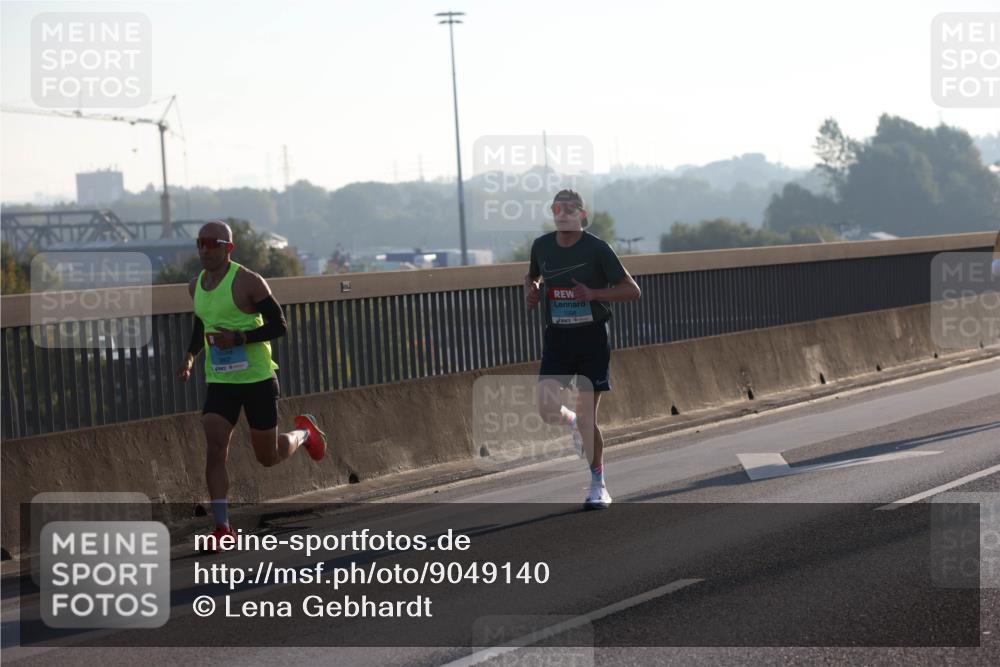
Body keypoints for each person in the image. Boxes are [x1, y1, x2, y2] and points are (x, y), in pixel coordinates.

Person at [177, 220, 327, 549]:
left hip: (258, 379)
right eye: (199, 243)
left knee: (268, 456)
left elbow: (280, 325)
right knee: (215, 448)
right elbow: (200, 322)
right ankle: (222, 528)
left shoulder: (248, 282)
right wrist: (190, 356)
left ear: (228, 248)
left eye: (211, 243)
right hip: (221, 381)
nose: (204, 249)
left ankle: (305, 433)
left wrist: (240, 337)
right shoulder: (195, 286)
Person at [524, 190, 641, 509]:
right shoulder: (542, 246)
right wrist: (531, 291)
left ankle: (598, 483)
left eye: (569, 209)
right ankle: (573, 421)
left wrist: (593, 293)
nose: (562, 214)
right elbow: (532, 276)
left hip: (591, 337)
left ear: (582, 215)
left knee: (589, 417)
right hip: (557, 337)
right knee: (547, 409)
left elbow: (632, 290)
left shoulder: (598, 248)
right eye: (556, 209)